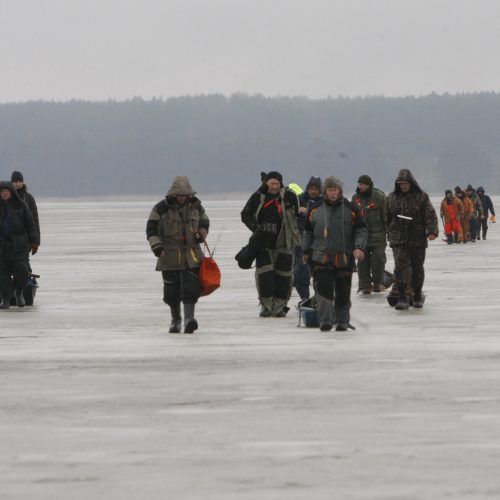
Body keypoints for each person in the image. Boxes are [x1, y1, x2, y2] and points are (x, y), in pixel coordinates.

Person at [302, 176, 367, 331]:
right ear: (325, 191)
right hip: (320, 258)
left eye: (335, 190)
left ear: (340, 191)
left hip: (343, 258)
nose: (332, 193)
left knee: (343, 292)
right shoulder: (315, 208)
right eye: (329, 190)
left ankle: (342, 321)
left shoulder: (350, 208)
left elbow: (361, 229)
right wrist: (305, 251)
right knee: (324, 292)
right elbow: (307, 232)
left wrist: (359, 247)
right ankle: (325, 320)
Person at [146, 176, 209, 333]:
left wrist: (201, 233)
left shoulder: (197, 206)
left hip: (191, 256)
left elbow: (205, 222)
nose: (182, 197)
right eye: (179, 195)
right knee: (171, 292)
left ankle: (189, 319)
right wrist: (157, 246)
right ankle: (176, 320)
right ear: (173, 194)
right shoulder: (160, 209)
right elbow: (151, 229)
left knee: (191, 289)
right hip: (168, 256)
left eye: (184, 194)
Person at [241, 171, 300, 317]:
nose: (274, 186)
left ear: (281, 184)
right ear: (266, 183)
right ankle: (266, 306)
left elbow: (300, 214)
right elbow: (245, 214)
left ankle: (279, 307)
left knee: (284, 277)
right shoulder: (257, 197)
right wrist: (255, 228)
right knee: (264, 277)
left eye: (277, 183)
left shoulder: (289, 196)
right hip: (263, 244)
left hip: (285, 243)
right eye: (271, 183)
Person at [386, 169, 438, 310]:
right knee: (400, 268)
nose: (403, 186)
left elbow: (430, 215)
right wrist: (387, 232)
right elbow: (386, 217)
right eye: (401, 183)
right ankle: (402, 296)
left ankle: (416, 295)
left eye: (406, 183)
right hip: (398, 239)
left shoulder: (421, 197)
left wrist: (432, 231)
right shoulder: (391, 197)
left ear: (411, 183)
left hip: (417, 238)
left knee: (417, 268)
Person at [0, 181, 39, 309]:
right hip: (2, 246)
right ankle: (6, 299)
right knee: (3, 274)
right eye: (2, 191)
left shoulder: (21, 205)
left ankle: (19, 292)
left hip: (19, 245)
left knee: (23, 271)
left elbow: (30, 223)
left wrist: (34, 241)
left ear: (11, 192)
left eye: (7, 191)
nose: (4, 193)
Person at [351, 174, 387, 293]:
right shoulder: (355, 198)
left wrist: (390, 233)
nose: (360, 186)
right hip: (362, 238)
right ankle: (364, 285)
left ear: (368, 185)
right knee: (362, 262)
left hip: (378, 236)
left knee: (378, 259)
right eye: (359, 184)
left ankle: (379, 283)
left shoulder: (380, 197)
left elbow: (386, 217)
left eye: (362, 184)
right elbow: (352, 218)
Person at [294, 176, 322, 300]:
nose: (313, 191)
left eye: (316, 189)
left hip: (319, 245)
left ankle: (318, 300)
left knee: (320, 275)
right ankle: (304, 299)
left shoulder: (324, 202)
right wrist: (297, 210)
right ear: (307, 188)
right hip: (301, 245)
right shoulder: (299, 200)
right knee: (300, 275)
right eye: (311, 188)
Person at [11, 171, 40, 244]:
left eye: (20, 181)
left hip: (25, 239)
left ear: (23, 182)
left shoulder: (29, 198)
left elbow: (35, 220)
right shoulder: (7, 197)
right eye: (15, 181)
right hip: (9, 241)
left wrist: (36, 241)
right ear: (11, 183)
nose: (18, 184)